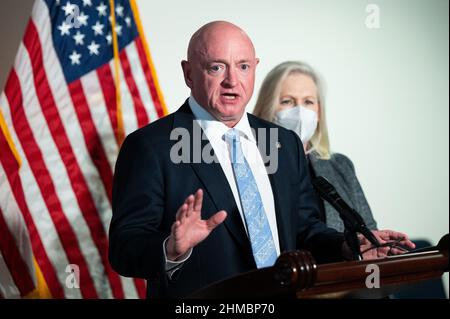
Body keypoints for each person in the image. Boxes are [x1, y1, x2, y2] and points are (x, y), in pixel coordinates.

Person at [109, 21, 415, 298]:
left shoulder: (283, 142)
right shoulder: (150, 147)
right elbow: (125, 248)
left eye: (243, 66)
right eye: (216, 67)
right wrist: (171, 248)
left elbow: (305, 228)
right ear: (189, 73)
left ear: (255, 68)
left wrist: (348, 245)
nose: (232, 80)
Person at [253, 61, 377, 232]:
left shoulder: (340, 165)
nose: (299, 111)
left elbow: (370, 231)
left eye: (308, 102)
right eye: (287, 101)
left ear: (319, 111)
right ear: (267, 107)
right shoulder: (253, 165)